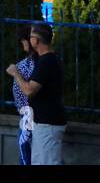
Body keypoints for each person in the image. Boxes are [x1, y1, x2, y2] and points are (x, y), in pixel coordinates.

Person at [7, 22, 65, 164]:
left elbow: (29, 90)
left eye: (31, 35)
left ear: (36, 40)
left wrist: (15, 73)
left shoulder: (46, 62)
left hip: (48, 124)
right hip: (43, 123)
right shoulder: (47, 61)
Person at [10, 25, 37, 165]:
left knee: (24, 146)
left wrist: (15, 72)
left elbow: (28, 89)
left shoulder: (31, 63)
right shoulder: (31, 62)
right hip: (27, 113)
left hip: (29, 113)